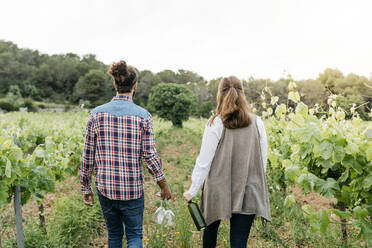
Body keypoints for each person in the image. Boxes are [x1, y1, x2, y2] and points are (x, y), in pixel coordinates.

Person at [80, 60, 171, 248]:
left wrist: (86, 186)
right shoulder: (143, 116)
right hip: (132, 189)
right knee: (135, 235)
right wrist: (163, 185)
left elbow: (87, 154)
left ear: (115, 84)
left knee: (114, 234)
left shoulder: (96, 115)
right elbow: (150, 156)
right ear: (135, 86)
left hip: (106, 187)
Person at [183, 76, 271, 248]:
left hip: (218, 188)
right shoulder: (257, 122)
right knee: (239, 242)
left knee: (210, 231)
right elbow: (262, 161)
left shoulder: (216, 123)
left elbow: (204, 161)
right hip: (248, 188)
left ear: (219, 94)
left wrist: (192, 190)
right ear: (242, 94)